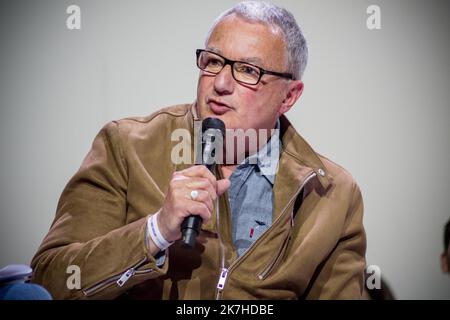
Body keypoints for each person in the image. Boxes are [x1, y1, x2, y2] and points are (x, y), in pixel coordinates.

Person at [31, 1, 366, 299]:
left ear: (289, 96)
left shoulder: (333, 194)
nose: (220, 83)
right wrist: (156, 231)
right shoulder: (127, 146)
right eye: (214, 61)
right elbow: (50, 281)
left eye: (248, 71)